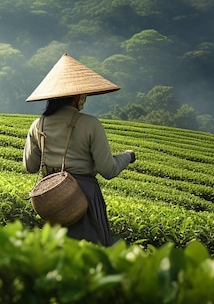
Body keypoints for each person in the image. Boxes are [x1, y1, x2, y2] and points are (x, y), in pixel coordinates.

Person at [23, 53, 136, 246]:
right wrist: (128, 156)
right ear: (76, 96)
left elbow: (31, 166)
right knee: (89, 251)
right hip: (82, 197)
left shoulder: (38, 125)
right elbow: (108, 170)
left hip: (51, 198)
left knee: (58, 251)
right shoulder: (90, 124)